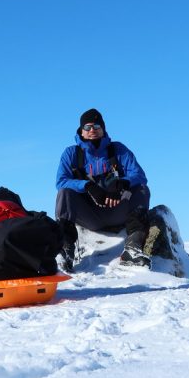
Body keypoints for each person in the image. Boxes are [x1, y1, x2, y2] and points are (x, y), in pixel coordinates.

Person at [55, 108, 151, 271]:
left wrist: (123, 184)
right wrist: (88, 186)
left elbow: (139, 175)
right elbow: (61, 182)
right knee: (65, 193)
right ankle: (65, 252)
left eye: (97, 126)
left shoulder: (118, 150)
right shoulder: (71, 153)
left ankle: (132, 250)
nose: (92, 130)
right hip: (89, 215)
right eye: (87, 127)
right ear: (81, 130)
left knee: (142, 189)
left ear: (103, 128)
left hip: (118, 210)